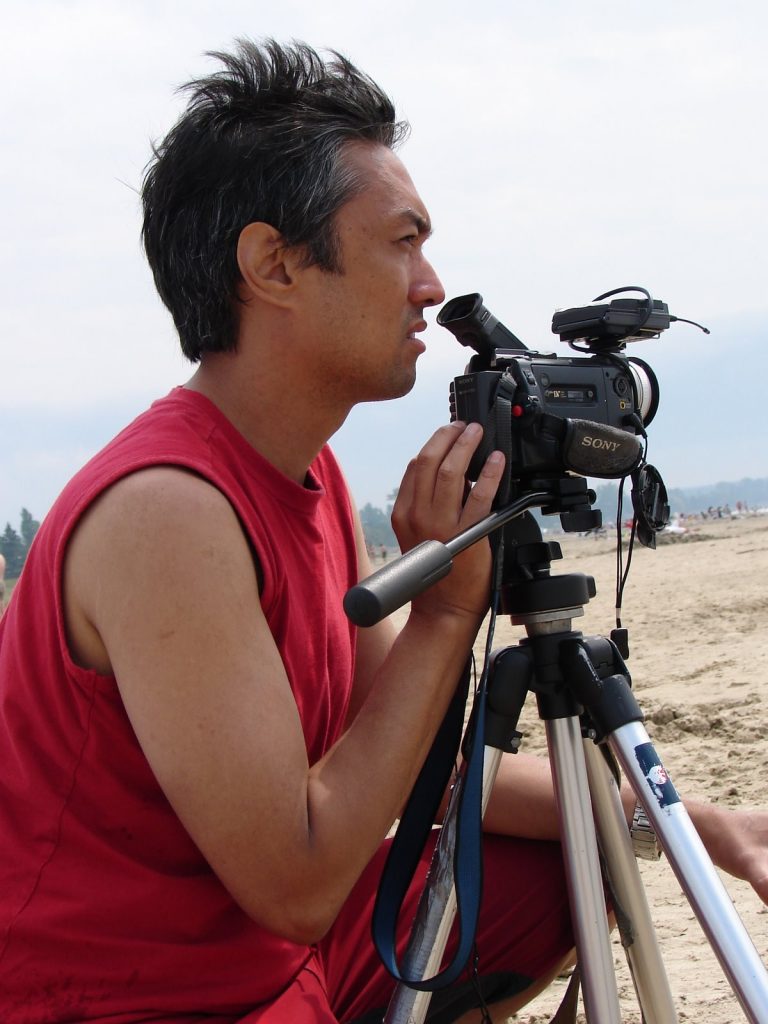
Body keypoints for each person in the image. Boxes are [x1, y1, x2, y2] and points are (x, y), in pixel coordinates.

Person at [1, 39, 767, 1024]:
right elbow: (301, 879)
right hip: (131, 997)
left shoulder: (306, 470)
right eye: (402, 242)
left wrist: (689, 823)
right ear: (272, 264)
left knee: (557, 869)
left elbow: (435, 766)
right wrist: (449, 611)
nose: (432, 284)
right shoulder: (169, 511)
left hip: (278, 958)